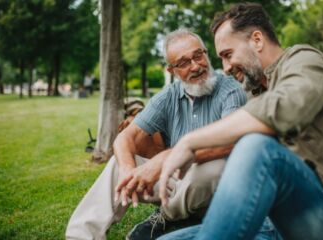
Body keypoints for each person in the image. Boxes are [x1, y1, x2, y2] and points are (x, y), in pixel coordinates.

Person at [157, 3, 323, 240]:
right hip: (277, 223)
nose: (226, 68)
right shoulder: (257, 90)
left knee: (256, 147)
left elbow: (283, 110)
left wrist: (189, 142)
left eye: (228, 55)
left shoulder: (305, 60)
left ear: (257, 40)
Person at [66, 29, 278, 240]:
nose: (196, 66)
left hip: (219, 189)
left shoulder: (230, 90)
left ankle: (167, 217)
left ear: (206, 53)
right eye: (184, 63)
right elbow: (125, 137)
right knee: (116, 165)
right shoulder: (168, 96)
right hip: (176, 181)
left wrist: (166, 159)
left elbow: (231, 141)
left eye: (198, 55)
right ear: (172, 70)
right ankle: (81, 235)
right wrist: (127, 170)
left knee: (213, 167)